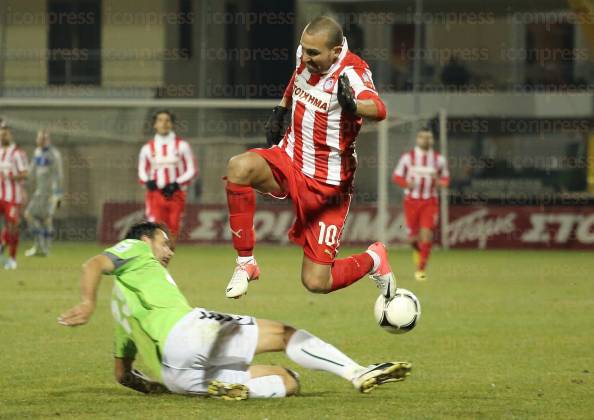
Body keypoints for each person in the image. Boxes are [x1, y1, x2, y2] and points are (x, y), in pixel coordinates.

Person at [58, 221, 412, 399]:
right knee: (286, 335)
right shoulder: (134, 247)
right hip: (188, 333)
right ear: (145, 238)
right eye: (165, 243)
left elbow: (123, 375)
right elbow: (93, 264)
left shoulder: (122, 308)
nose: (170, 252)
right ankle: (356, 372)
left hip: (177, 376)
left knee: (289, 381)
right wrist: (86, 301)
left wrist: (164, 390)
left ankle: (234, 389)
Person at [224, 16, 394, 300]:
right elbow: (296, 77)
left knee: (316, 282)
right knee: (238, 168)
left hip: (328, 185)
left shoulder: (352, 71)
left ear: (335, 52)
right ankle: (246, 263)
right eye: (302, 49)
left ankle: (374, 259)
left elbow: (379, 109)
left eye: (313, 53)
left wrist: (353, 104)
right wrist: (281, 107)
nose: (305, 56)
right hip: (290, 158)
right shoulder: (305, 57)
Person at [392, 129, 450, 281]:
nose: (426, 140)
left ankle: (421, 269)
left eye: (429, 138)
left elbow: (445, 179)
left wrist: (440, 183)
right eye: (423, 137)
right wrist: (406, 183)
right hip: (411, 201)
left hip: (429, 201)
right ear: (417, 139)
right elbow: (397, 176)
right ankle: (419, 252)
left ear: (432, 140)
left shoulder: (439, 160)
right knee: (412, 239)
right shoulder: (407, 158)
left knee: (426, 234)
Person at [138, 110, 197, 248]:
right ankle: (153, 260)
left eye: (167, 120)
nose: (163, 123)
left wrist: (177, 184)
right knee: (154, 227)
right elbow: (142, 169)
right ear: (154, 124)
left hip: (176, 194)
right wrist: (148, 181)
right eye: (160, 120)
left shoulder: (182, 146)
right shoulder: (147, 148)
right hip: (155, 195)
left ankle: (166, 259)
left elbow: (191, 169)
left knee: (173, 229)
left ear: (172, 124)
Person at [24, 130, 63, 257]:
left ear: (46, 140)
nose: (38, 140)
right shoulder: (37, 152)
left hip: (49, 192)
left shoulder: (54, 154)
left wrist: (59, 195)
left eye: (41, 138)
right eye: (38, 138)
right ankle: (41, 247)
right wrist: (22, 180)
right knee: (40, 218)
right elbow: (31, 171)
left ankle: (42, 247)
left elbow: (59, 175)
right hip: (39, 191)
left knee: (36, 216)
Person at [0, 121, 28, 270]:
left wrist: (10, 176)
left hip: (12, 197)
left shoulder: (18, 153)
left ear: (10, 134)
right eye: (1, 131)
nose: (3, 134)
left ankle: (12, 259)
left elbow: (25, 174)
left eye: (6, 132)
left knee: (12, 227)